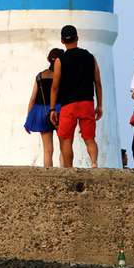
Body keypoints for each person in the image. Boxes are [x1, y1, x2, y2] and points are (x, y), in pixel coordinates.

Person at [49, 25, 103, 168]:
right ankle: (94, 163)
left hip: (68, 104)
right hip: (87, 102)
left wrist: (52, 108)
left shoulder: (60, 61)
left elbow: (55, 86)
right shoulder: (91, 57)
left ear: (62, 41)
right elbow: (97, 83)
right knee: (90, 138)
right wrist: (100, 105)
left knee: (66, 139)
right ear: (77, 38)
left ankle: (69, 167)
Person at [23, 48, 64, 167]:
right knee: (64, 146)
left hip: (41, 111)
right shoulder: (61, 76)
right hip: (58, 110)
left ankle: (48, 174)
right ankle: (63, 170)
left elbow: (32, 99)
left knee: (47, 150)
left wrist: (29, 118)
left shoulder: (40, 76)